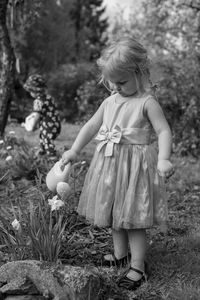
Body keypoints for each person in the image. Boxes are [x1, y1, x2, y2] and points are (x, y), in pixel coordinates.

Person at [61, 36, 174, 290]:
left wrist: (164, 158)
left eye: (122, 81)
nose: (115, 86)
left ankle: (138, 265)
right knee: (114, 212)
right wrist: (74, 150)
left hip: (134, 168)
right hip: (110, 165)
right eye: (112, 81)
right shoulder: (109, 101)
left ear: (139, 73)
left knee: (133, 217)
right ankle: (120, 254)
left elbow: (163, 130)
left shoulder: (146, 102)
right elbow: (91, 125)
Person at [23, 74, 61, 158]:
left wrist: (32, 126)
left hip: (48, 126)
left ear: (34, 90)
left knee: (47, 140)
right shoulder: (49, 97)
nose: (30, 94)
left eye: (30, 91)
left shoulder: (38, 101)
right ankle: (42, 153)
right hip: (56, 124)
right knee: (42, 138)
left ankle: (52, 157)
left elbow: (37, 116)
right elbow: (49, 112)